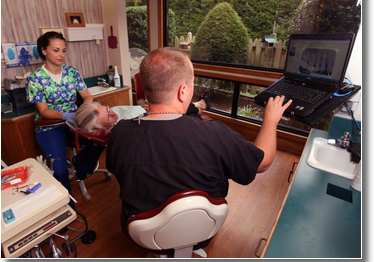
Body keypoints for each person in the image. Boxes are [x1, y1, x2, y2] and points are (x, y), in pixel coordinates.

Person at [106, 47, 292, 226]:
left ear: (146, 90)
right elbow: (263, 161)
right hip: (198, 230)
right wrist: (270, 119)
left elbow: (116, 169)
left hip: (138, 228)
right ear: (183, 91)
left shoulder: (119, 132)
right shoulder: (214, 134)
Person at [26, 31, 105, 207]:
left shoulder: (72, 72)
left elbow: (87, 96)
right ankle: (68, 207)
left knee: (102, 138)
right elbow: (44, 111)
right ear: (44, 51)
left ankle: (81, 165)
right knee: (60, 169)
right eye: (56, 50)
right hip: (49, 126)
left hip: (74, 121)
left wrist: (83, 111)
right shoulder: (35, 79)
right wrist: (66, 115)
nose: (61, 55)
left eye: (63, 50)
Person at [75, 102, 147, 131]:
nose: (113, 114)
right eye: (108, 118)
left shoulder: (113, 110)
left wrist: (140, 108)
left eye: (108, 109)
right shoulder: (122, 129)